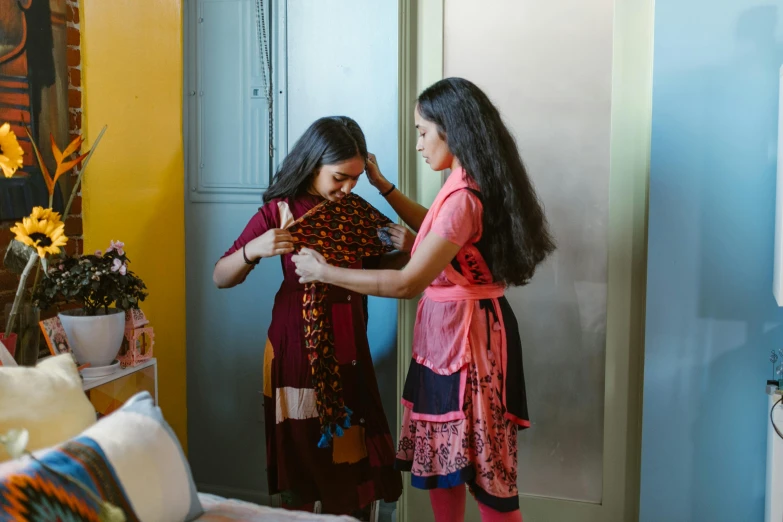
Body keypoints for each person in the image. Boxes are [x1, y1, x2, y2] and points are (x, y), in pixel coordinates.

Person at [292, 78, 555, 522]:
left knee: (487, 481)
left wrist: (324, 271)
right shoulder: (464, 182)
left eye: (421, 131)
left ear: (450, 130)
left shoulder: (462, 199)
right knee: (443, 469)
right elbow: (438, 228)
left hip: (467, 345)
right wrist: (383, 187)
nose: (418, 143)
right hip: (452, 337)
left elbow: (407, 283)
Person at [213, 116, 405, 517]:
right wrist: (253, 251)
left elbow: (387, 261)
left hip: (350, 340)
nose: (347, 188)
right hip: (296, 344)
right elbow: (220, 276)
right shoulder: (279, 211)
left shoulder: (353, 211)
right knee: (301, 448)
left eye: (354, 179)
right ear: (313, 164)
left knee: (354, 453)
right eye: (339, 177)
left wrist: (410, 245)